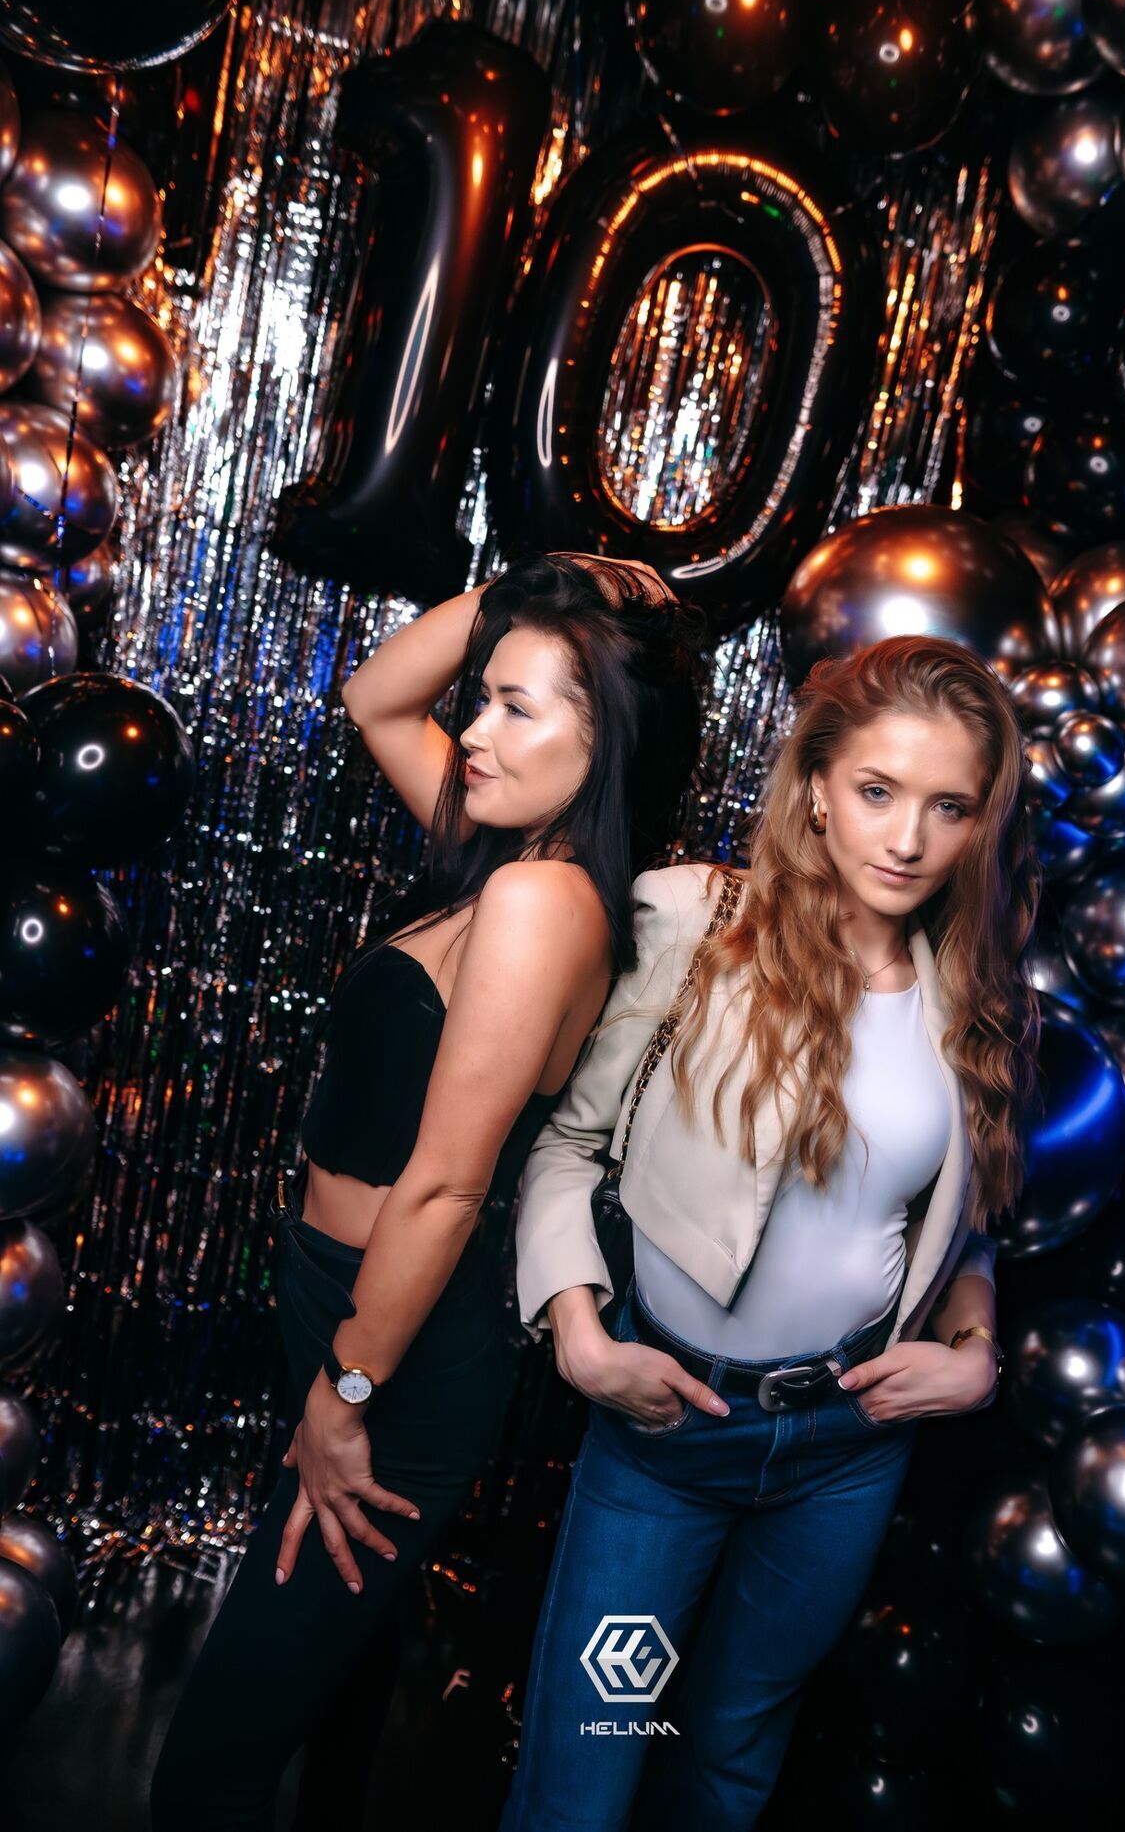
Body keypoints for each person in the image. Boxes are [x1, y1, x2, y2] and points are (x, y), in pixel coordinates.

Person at [150, 552, 709, 1831]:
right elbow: (376, 696)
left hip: (394, 1341)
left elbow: (450, 1187)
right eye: (485, 696)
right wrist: (540, 578)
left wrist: (346, 1390)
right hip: (343, 1299)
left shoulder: (539, 902)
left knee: (218, 1756)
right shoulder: (510, 859)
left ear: (605, 738)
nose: (479, 732)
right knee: (337, 1674)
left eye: (518, 707)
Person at [501, 634, 1041, 1832]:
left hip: (847, 1447)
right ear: (817, 786)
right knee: (582, 1779)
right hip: (666, 1435)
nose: (908, 839)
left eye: (949, 807)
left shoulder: (978, 994)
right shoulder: (695, 921)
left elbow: (962, 1233)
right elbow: (566, 1147)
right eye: (878, 791)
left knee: (731, 1769)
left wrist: (975, 1354)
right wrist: (580, 1336)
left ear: (980, 826)